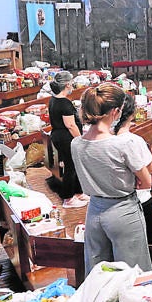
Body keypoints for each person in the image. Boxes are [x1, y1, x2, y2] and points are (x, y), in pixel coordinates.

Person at [73, 82, 152, 274]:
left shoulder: (76, 144)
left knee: (98, 275)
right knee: (133, 274)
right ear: (115, 112)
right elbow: (147, 182)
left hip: (94, 211)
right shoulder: (122, 145)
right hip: (123, 211)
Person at [115, 90, 152, 244]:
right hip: (138, 201)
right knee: (151, 243)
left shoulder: (104, 141)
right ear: (131, 114)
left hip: (113, 205)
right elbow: (151, 169)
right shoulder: (134, 141)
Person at [48, 71, 88, 209]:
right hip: (66, 139)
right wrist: (81, 139)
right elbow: (70, 125)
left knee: (74, 165)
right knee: (70, 167)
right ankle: (68, 198)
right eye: (71, 83)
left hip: (59, 136)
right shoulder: (64, 103)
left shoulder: (54, 99)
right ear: (67, 84)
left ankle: (78, 192)